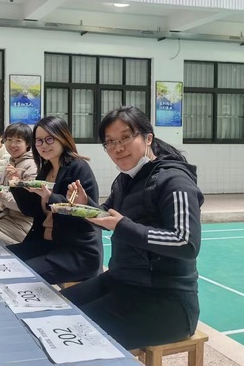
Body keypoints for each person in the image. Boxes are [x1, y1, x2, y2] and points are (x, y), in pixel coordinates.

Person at [61, 106, 204, 350]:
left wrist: (123, 226)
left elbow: (186, 242)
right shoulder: (125, 179)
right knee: (54, 310)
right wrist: (86, 205)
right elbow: (108, 216)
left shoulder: (175, 181)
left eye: (125, 137)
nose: (118, 148)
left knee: (72, 335)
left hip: (168, 300)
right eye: (110, 142)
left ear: (148, 138)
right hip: (121, 280)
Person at [8, 116, 103, 284]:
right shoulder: (46, 170)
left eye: (49, 139)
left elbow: (87, 216)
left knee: (19, 274)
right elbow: (31, 211)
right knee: (2, 257)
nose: (44, 145)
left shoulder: (78, 167)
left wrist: (49, 197)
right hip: (46, 243)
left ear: (62, 137)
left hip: (76, 251)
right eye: (39, 141)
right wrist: (16, 186)